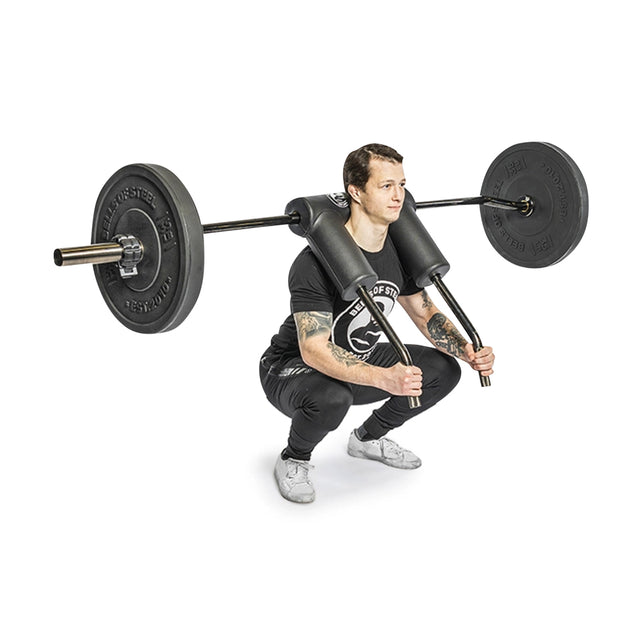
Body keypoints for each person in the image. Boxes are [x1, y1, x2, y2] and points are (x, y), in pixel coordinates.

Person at [259, 143, 494, 503]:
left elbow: (424, 312)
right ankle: (295, 458)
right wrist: (385, 378)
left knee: (441, 371)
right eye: (386, 186)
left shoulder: (398, 250)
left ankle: (367, 439)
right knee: (332, 396)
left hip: (357, 356)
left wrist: (466, 351)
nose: (399, 195)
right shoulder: (313, 263)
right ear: (355, 191)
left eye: (402, 184)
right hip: (290, 369)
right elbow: (314, 348)